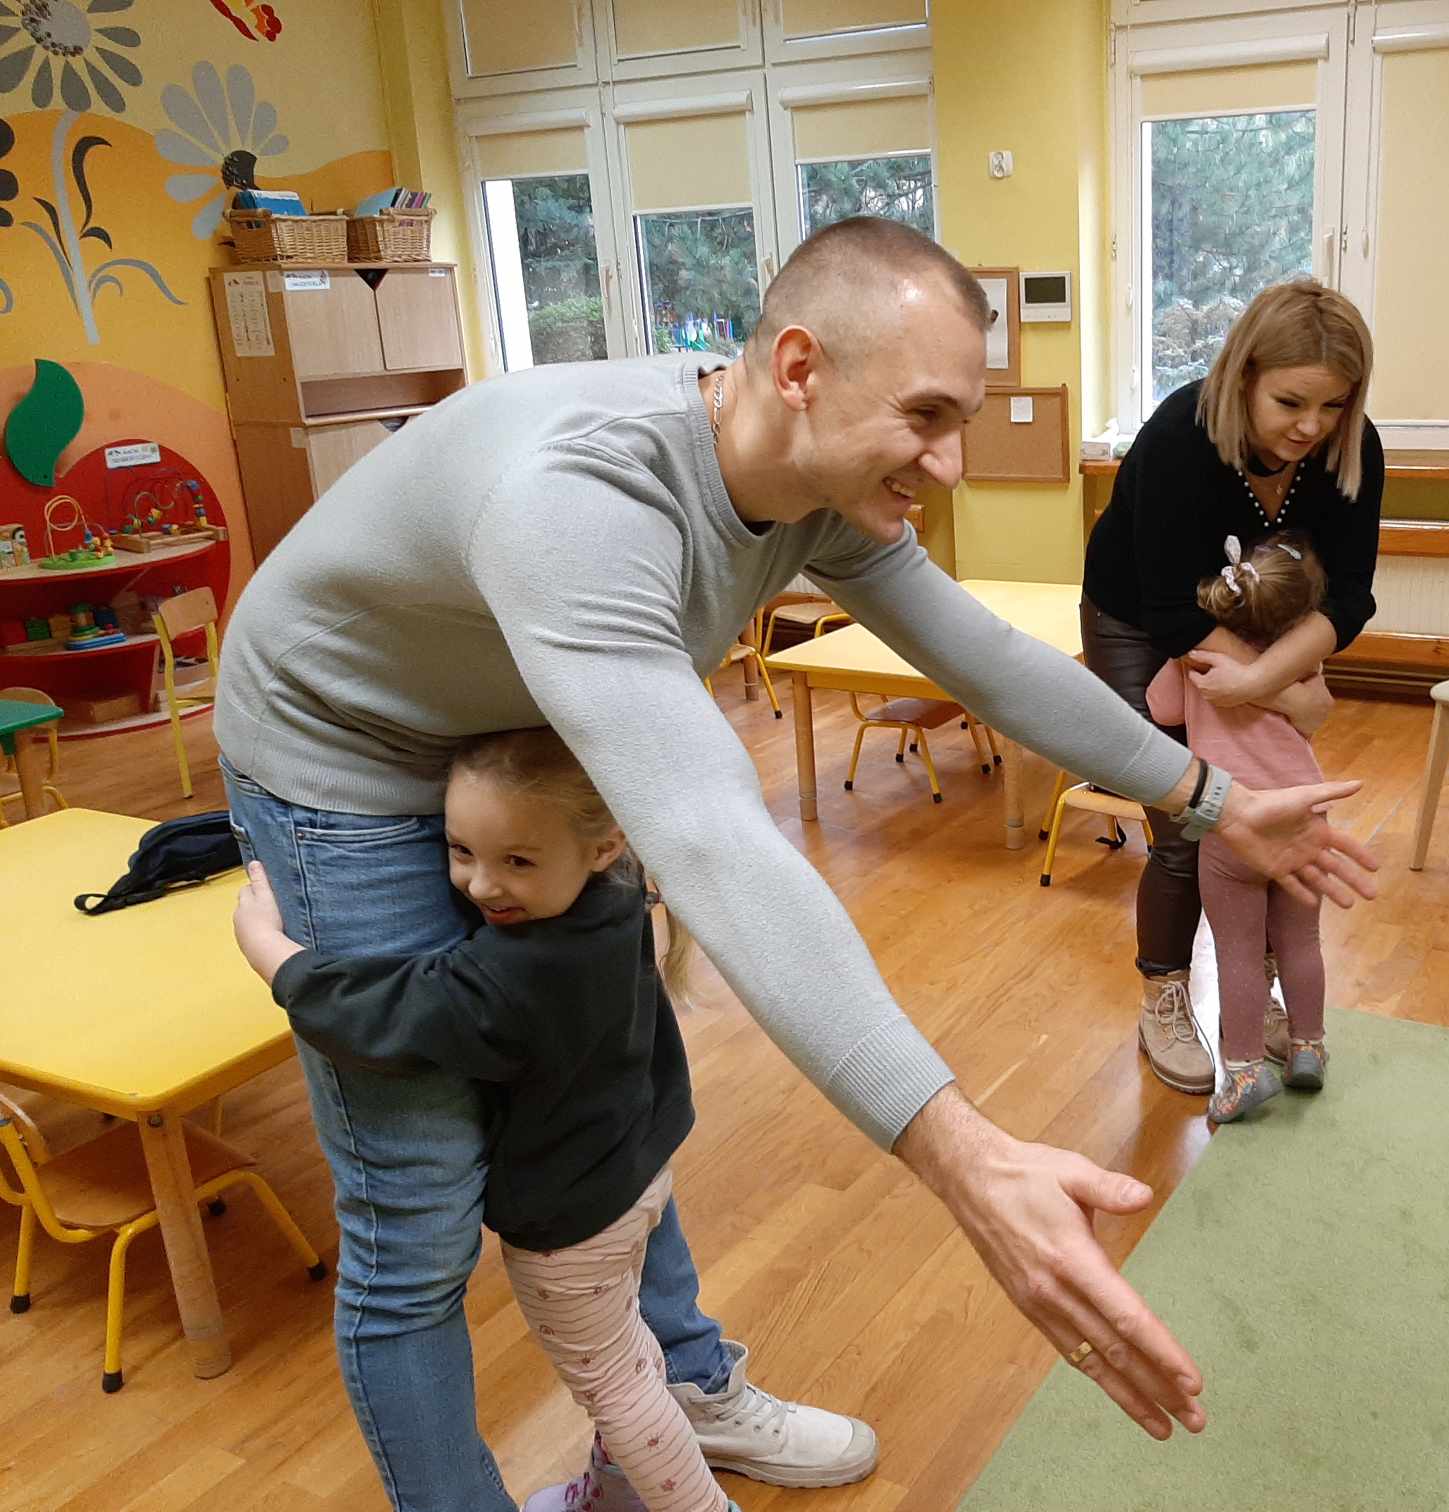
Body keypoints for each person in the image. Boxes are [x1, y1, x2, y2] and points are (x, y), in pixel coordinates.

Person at [215, 216, 1380, 1512]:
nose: (949, 463)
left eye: (962, 422)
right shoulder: (581, 503)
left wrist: (1215, 800)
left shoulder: (814, 492)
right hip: (345, 756)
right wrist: (963, 1154)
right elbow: (711, 831)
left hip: (517, 739)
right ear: (799, 368)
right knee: (420, 1213)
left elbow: (986, 659)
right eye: (925, 417)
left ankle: (688, 1390)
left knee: (613, 1089)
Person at [232, 729, 743, 1512]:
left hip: (570, 1231)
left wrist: (270, 951)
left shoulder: (512, 976)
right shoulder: (618, 897)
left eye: (517, 861)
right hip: (636, 1180)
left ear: (604, 845)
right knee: (631, 1357)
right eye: (460, 850)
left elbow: (392, 1013)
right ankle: (617, 1494)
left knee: (621, 1388)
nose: (480, 885)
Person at [1082, 279, 1382, 1097]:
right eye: (1291, 402)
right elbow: (1170, 610)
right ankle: (1164, 994)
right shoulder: (1181, 436)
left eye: (1333, 405)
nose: (1312, 427)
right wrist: (1280, 693)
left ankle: (1260, 993)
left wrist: (1266, 679)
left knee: (1275, 811)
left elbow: (1350, 597)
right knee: (1192, 825)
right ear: (1243, 374)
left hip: (1264, 635)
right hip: (1143, 623)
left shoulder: (1352, 447)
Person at [1147, 533, 1333, 1124]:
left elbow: (1161, 710)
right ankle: (1307, 1047)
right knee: (1302, 942)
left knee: (1239, 952)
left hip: (1232, 821)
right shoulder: (1303, 661)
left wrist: (1176, 658)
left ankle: (1247, 1072)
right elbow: (1315, 717)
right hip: (1304, 813)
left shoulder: (1196, 660)